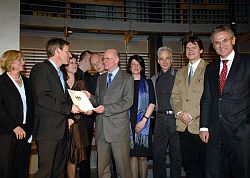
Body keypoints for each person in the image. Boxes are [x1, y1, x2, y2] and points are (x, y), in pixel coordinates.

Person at [200, 25, 250, 178]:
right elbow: (207, 98)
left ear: (233, 40)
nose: (221, 45)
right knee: (213, 172)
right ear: (213, 45)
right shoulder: (211, 68)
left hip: (241, 133)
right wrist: (203, 126)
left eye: (225, 40)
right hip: (215, 134)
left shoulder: (247, 63)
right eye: (217, 42)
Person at [30, 38, 81, 178]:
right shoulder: (40, 69)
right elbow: (42, 98)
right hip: (48, 130)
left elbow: (62, 99)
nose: (69, 55)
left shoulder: (60, 72)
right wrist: (69, 108)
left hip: (62, 130)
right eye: (67, 51)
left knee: (59, 171)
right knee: (45, 171)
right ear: (58, 51)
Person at [85, 48, 134, 178]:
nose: (103, 61)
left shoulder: (127, 78)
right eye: (103, 58)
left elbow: (128, 102)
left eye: (106, 58)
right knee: (102, 168)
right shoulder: (101, 79)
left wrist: (107, 109)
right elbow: (98, 100)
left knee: (123, 168)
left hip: (118, 130)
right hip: (101, 128)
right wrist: (89, 95)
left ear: (116, 60)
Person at [172, 36, 207, 178]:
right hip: (183, 126)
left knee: (205, 164)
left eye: (194, 47)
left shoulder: (209, 69)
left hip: (200, 125)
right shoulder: (180, 72)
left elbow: (208, 97)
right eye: (188, 48)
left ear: (201, 50)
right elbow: (175, 96)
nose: (190, 50)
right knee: (189, 165)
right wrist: (180, 112)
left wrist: (190, 115)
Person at [0, 50, 33, 178]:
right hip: (7, 133)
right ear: (10, 62)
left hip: (26, 132)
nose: (23, 62)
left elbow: (32, 107)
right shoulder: (1, 82)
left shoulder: (27, 81)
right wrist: (14, 126)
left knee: (23, 168)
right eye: (19, 59)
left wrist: (31, 129)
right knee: (7, 169)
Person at [151, 46, 182, 178]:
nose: (164, 62)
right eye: (161, 59)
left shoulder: (179, 76)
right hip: (159, 119)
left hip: (176, 119)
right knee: (158, 156)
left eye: (167, 58)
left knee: (177, 155)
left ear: (172, 60)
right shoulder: (153, 79)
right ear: (158, 61)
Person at [61, 54, 90, 178]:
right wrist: (65, 119)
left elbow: (85, 106)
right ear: (64, 65)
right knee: (61, 157)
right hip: (61, 124)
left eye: (75, 62)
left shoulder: (81, 83)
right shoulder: (59, 81)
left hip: (77, 125)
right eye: (71, 62)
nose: (74, 65)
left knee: (73, 158)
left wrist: (72, 120)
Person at [126, 55, 155, 178]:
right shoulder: (125, 82)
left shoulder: (148, 83)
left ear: (142, 67)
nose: (136, 66)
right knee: (132, 156)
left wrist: (144, 120)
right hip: (127, 122)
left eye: (138, 64)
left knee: (142, 157)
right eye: (133, 64)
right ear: (129, 67)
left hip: (144, 122)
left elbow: (152, 102)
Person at [76, 50, 95, 178]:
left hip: (87, 120)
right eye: (91, 61)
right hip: (73, 119)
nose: (93, 63)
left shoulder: (91, 78)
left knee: (86, 153)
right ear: (85, 59)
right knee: (72, 152)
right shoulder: (70, 73)